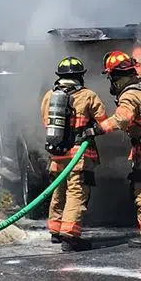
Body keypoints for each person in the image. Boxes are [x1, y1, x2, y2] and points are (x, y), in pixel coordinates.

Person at [81, 50, 141, 248]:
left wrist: (96, 129)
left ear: (116, 76)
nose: (111, 83)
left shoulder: (129, 95)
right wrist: (140, 50)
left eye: (111, 77)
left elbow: (121, 119)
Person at [39, 56, 111, 252]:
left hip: (57, 154)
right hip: (79, 155)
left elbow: (46, 122)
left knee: (58, 191)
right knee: (76, 194)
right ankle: (70, 237)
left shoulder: (49, 96)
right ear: (80, 76)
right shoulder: (88, 95)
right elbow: (103, 122)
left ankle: (56, 231)